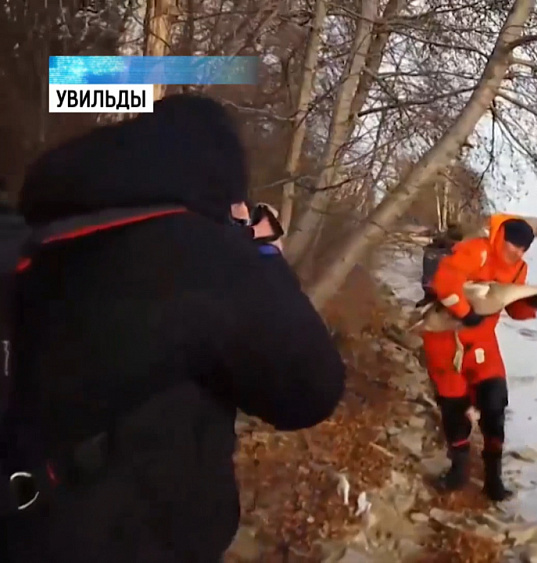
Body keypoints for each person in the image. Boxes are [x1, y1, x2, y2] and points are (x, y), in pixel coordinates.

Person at [0, 94, 345, 562]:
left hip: (25, 524)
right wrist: (262, 253)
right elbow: (311, 389)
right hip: (138, 539)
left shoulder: (36, 233)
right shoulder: (206, 257)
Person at [422, 214, 537, 501]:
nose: (518, 253)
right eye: (514, 245)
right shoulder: (477, 250)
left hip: (484, 347)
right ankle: (459, 470)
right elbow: (445, 281)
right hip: (446, 344)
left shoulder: (518, 269)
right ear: (501, 238)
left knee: (495, 406)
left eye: (524, 249)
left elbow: (516, 311)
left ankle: (493, 479)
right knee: (454, 409)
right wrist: (465, 313)